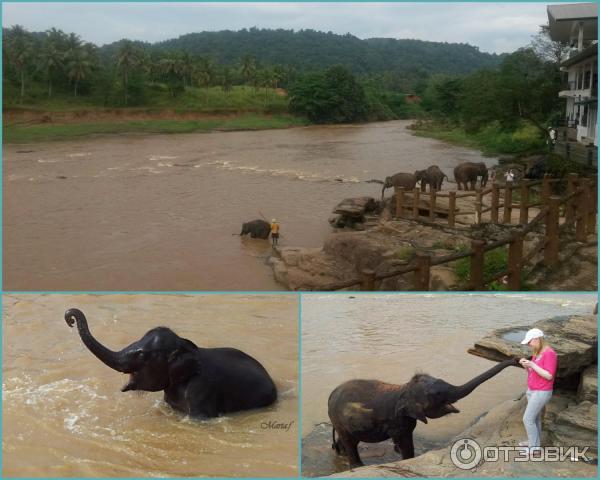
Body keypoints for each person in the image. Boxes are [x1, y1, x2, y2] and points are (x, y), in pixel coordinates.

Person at [518, 328, 557, 453]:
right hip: (533, 390)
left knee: (527, 419)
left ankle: (534, 448)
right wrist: (527, 366)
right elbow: (533, 372)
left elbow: (549, 375)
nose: (529, 344)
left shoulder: (549, 353)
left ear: (536, 339)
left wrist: (532, 365)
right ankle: (534, 442)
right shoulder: (537, 352)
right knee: (535, 418)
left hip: (542, 391)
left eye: (529, 341)